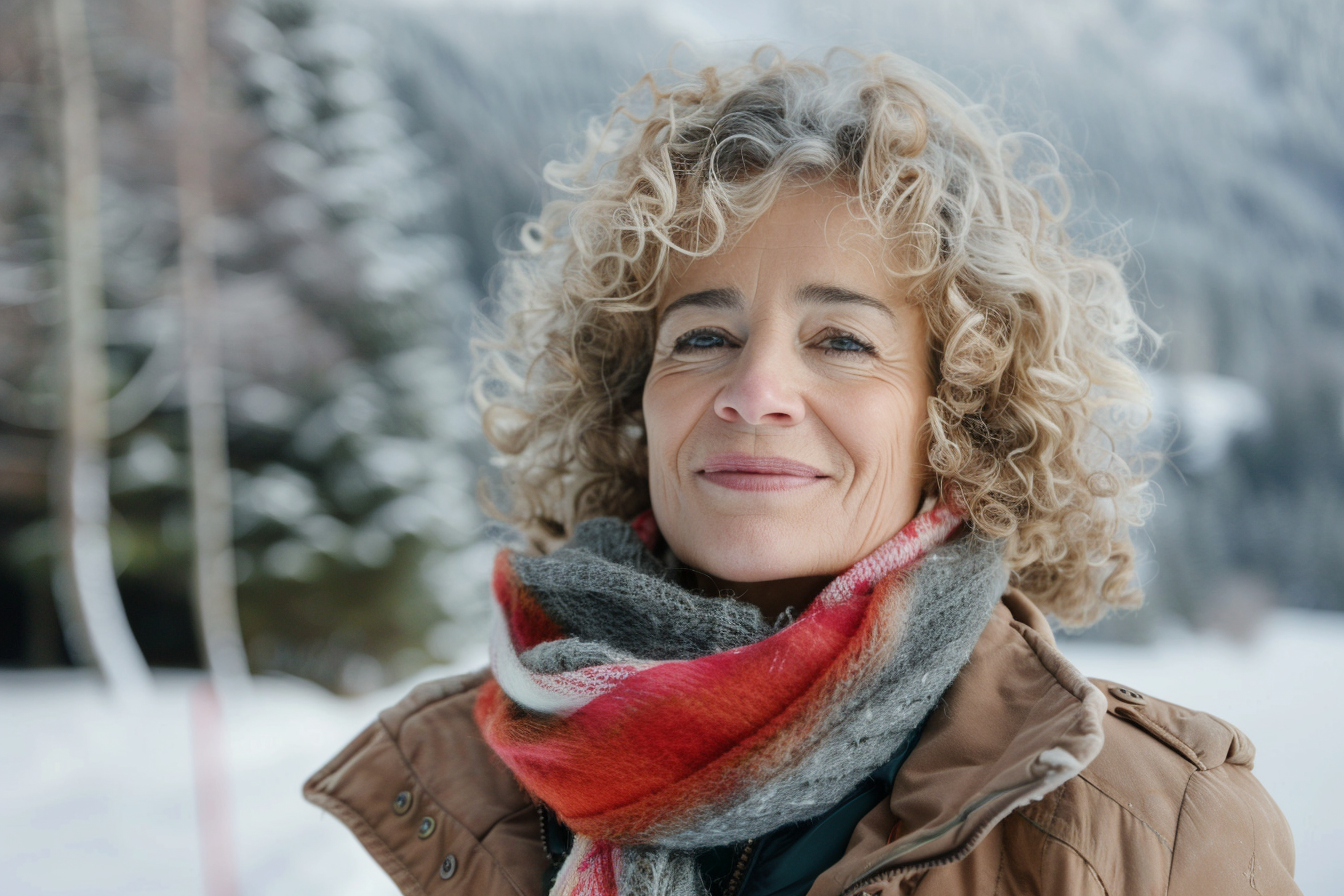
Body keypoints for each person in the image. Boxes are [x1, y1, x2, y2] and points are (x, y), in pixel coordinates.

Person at [304, 48, 1299, 896]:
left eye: (841, 340)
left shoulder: (1156, 825)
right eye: (703, 336)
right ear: (631, 401)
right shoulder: (475, 772)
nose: (755, 392)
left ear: (958, 414)